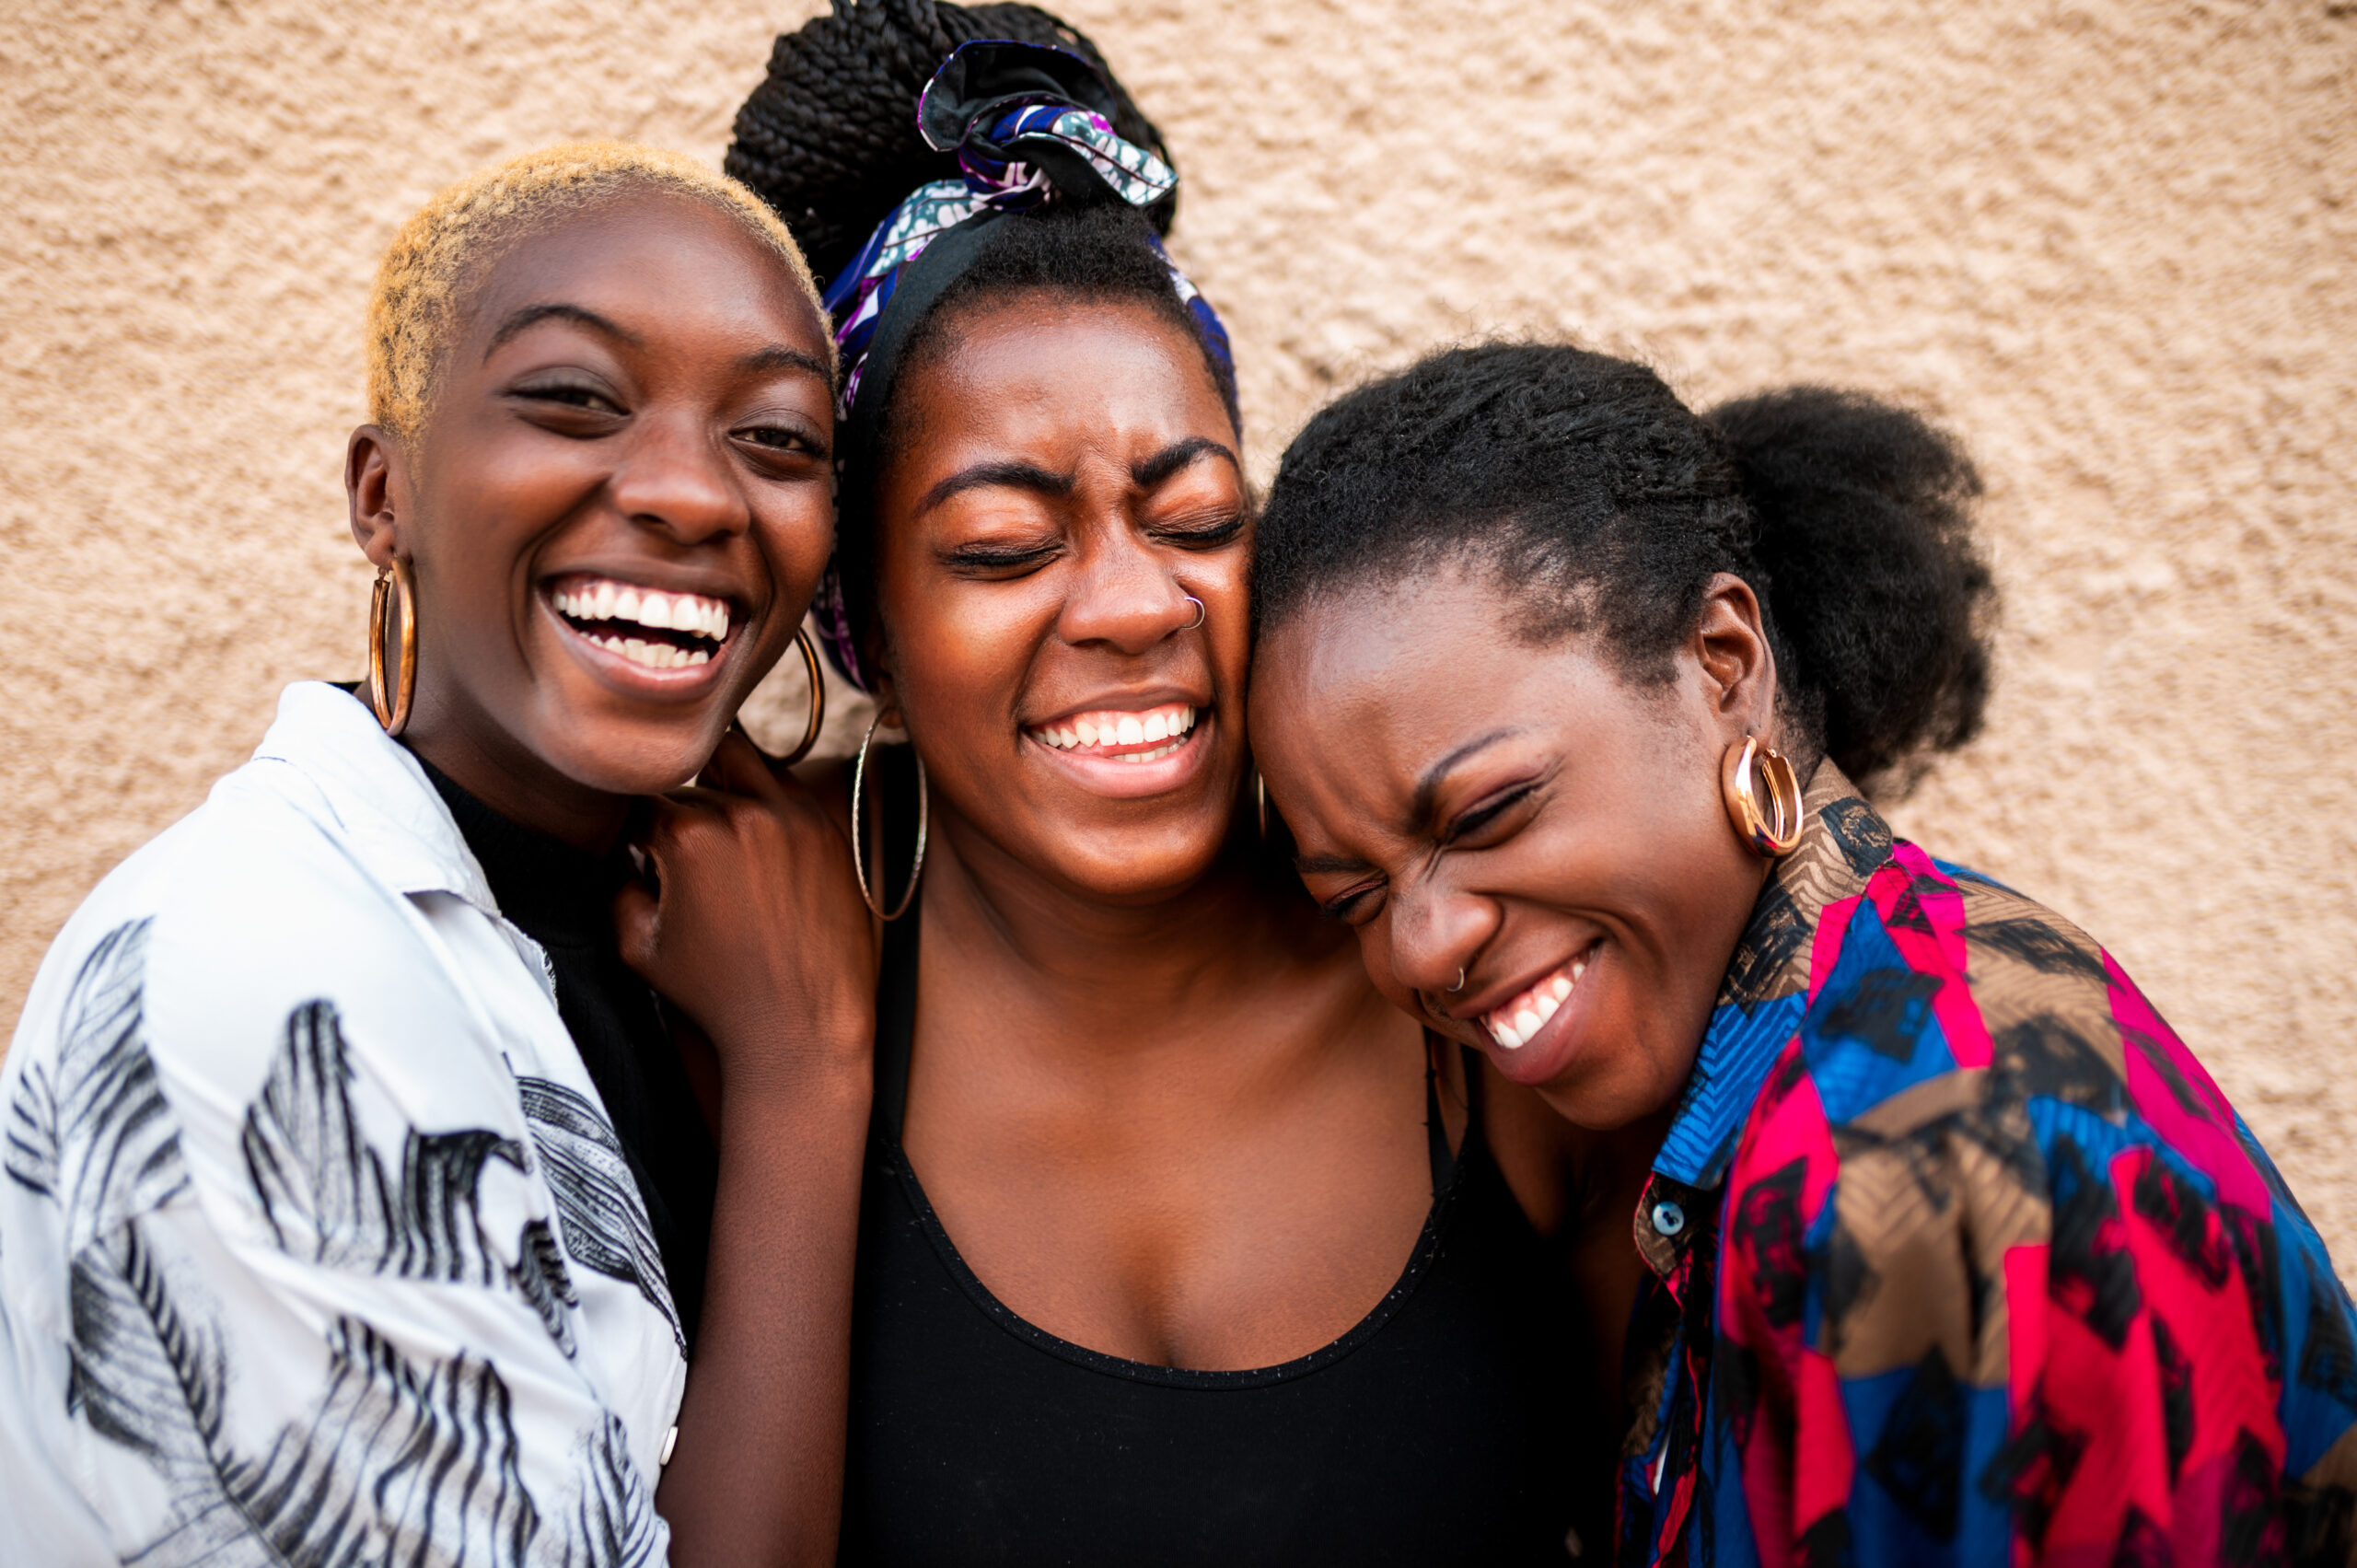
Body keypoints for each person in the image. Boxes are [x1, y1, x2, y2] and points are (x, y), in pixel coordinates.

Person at [628, 6, 1590, 1562]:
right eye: (1005, 548)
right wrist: (810, 1075)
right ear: (860, 619)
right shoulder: (733, 991)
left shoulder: (1472, 979)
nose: (1137, 606)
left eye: (1197, 519)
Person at [1244, 341, 2357, 1564]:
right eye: (1353, 896)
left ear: (1723, 665)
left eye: (1485, 815)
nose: (1423, 946)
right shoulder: (1778, 1081)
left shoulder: (1945, 1159)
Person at [0, 143, 871, 1565]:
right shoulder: (264, 980)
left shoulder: (690, 922)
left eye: (775, 439)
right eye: (574, 401)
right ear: (380, 495)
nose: (694, 497)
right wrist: (807, 1074)